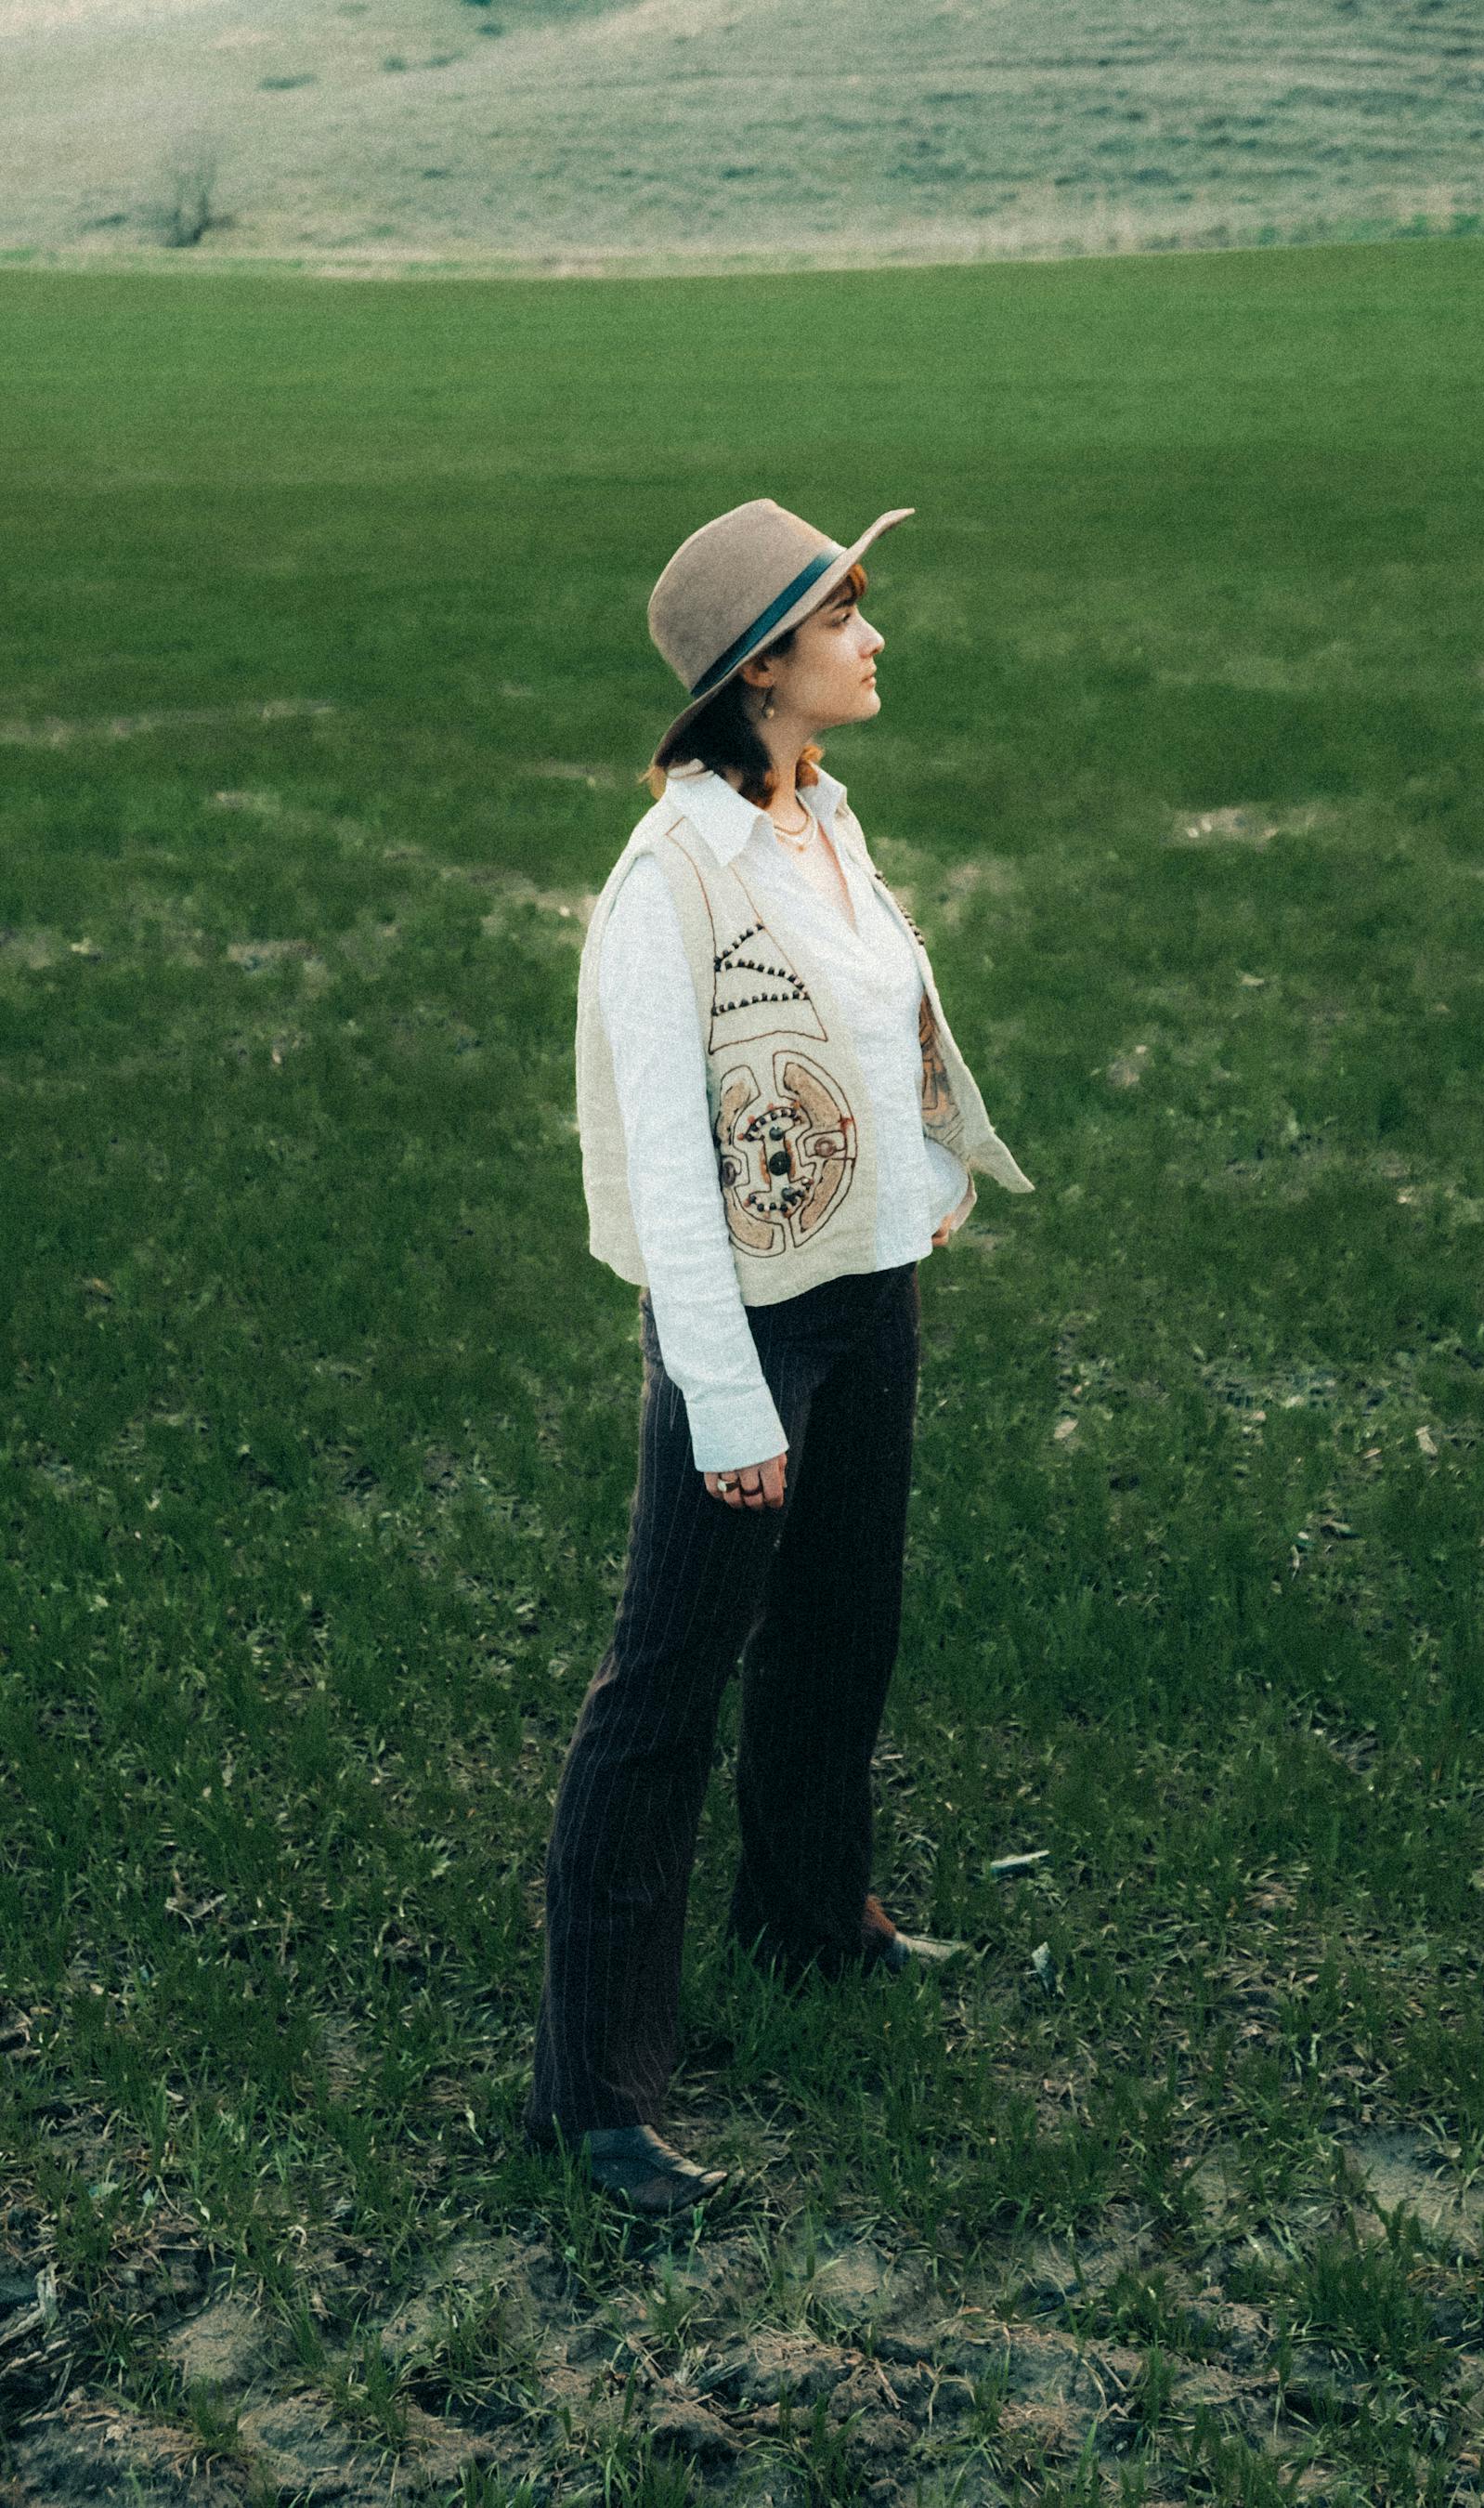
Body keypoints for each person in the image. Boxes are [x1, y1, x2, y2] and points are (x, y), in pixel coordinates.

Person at [522, 498, 1034, 2215]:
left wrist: (930, 1180)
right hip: (742, 1324)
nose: (876, 639)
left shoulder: (825, 819)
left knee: (839, 1628)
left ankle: (809, 1921)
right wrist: (725, 1399)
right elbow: (671, 1161)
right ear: (761, 671)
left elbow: (877, 1031)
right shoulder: (669, 881)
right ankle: (591, 2091)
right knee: (663, 1689)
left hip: (867, 1281)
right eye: (845, 620)